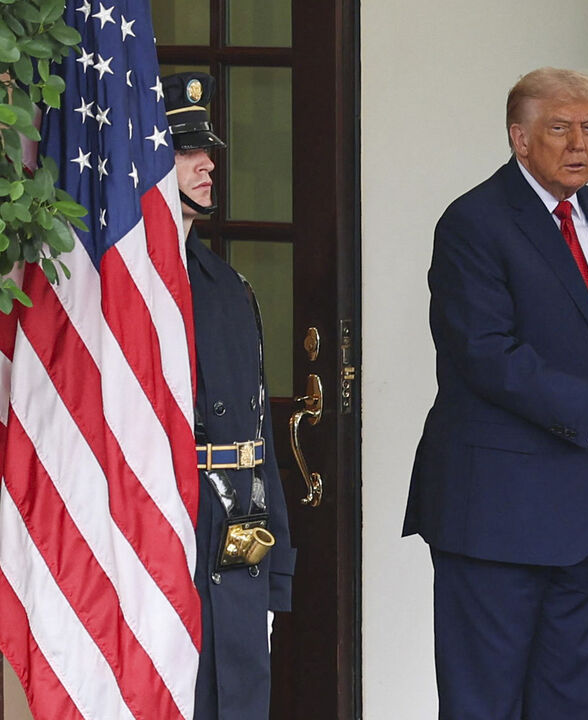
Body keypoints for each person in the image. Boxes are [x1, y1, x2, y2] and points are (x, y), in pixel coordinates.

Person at [401, 67, 588, 719]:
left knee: (568, 705)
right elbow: (485, 354)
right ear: (520, 138)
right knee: (485, 706)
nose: (579, 144)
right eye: (559, 128)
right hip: (497, 516)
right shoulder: (473, 222)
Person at [164, 71, 295, 719]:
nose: (208, 163)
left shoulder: (229, 287)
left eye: (207, 150)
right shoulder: (119, 292)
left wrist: (275, 571)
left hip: (237, 541)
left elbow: (257, 445)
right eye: (186, 151)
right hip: (166, 538)